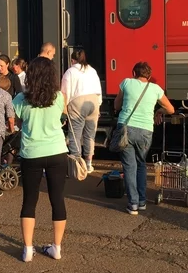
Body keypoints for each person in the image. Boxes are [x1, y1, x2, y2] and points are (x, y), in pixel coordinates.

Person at [13, 57, 69, 262]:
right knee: (57, 198)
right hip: (56, 151)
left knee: (29, 200)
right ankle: (57, 247)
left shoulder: (20, 99)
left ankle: (28, 249)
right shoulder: (58, 97)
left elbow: (19, 121)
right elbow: (63, 116)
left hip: (31, 153)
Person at [114, 62, 175, 215]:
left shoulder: (126, 83)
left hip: (126, 129)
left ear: (134, 72)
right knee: (141, 164)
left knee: (129, 167)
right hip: (146, 131)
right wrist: (158, 112)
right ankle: (142, 202)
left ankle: (133, 204)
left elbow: (116, 105)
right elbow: (171, 109)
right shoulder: (156, 89)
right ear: (148, 75)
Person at [61, 49, 102, 174]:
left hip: (78, 102)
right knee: (90, 135)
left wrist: (64, 109)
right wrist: (98, 105)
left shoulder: (70, 71)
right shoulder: (92, 70)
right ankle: (89, 163)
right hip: (94, 101)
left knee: (75, 134)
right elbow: (98, 88)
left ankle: (77, 164)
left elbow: (65, 92)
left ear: (72, 60)